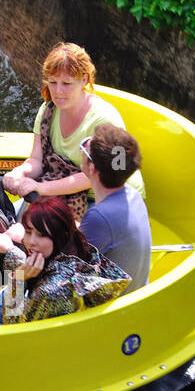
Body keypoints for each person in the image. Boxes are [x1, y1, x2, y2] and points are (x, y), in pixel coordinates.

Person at [1, 42, 144, 221]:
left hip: (108, 196)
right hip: (62, 189)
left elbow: (106, 173)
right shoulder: (47, 110)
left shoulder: (104, 120)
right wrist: (20, 173)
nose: (58, 91)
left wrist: (42, 189)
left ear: (84, 80)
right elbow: (36, 160)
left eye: (66, 83)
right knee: (14, 221)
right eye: (52, 82)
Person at [0, 195, 129, 332]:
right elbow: (46, 271)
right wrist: (10, 250)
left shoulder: (52, 290)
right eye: (28, 232)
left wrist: (17, 280)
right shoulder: (78, 252)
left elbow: (15, 329)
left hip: (36, 351)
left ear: (59, 235)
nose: (31, 242)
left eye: (41, 235)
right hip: (64, 335)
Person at [78, 124, 152, 293]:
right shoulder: (133, 195)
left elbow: (65, 273)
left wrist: (14, 250)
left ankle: (6, 314)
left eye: (86, 147)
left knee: (14, 278)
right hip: (131, 298)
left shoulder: (98, 217)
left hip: (102, 312)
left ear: (92, 168)